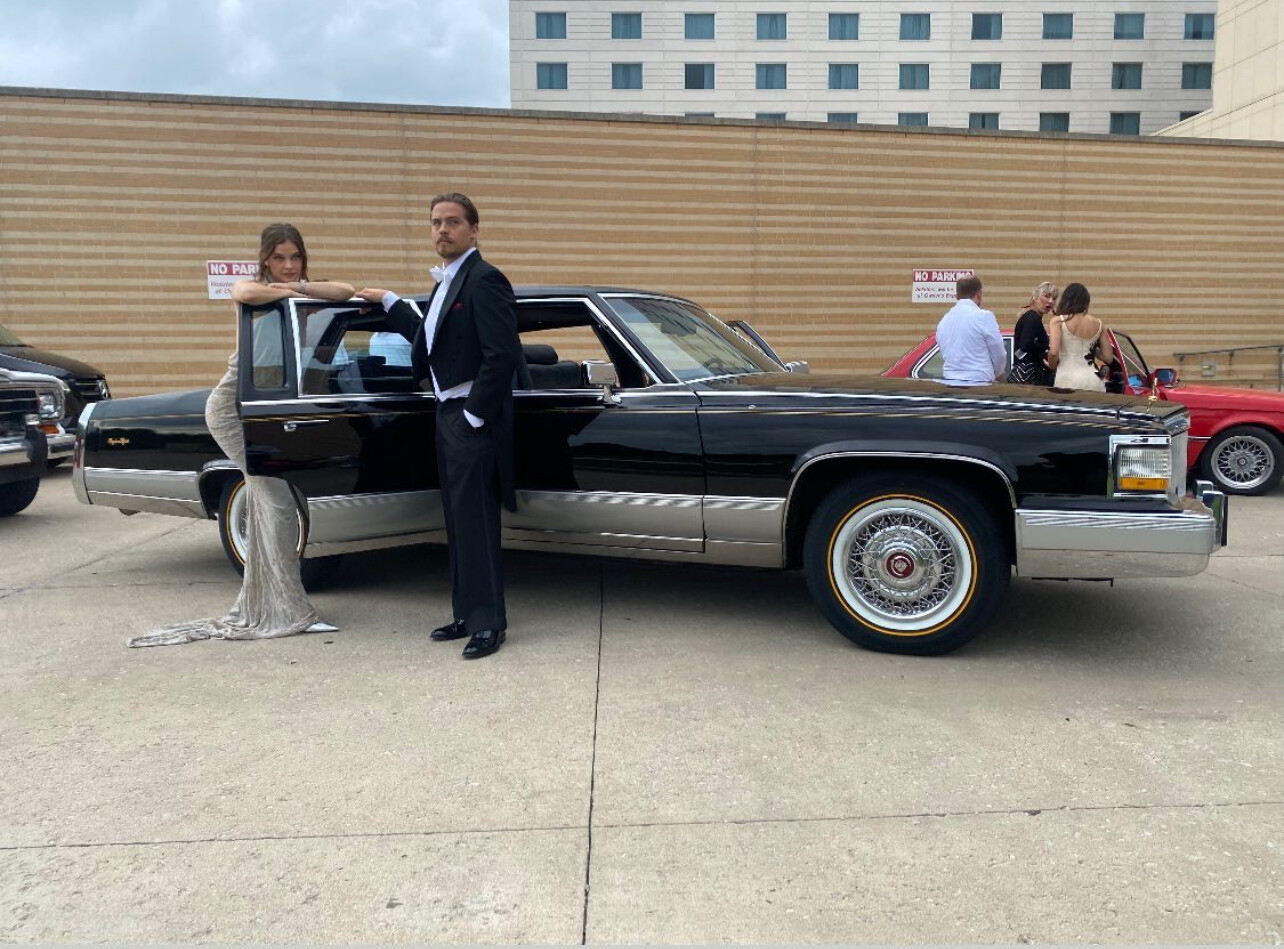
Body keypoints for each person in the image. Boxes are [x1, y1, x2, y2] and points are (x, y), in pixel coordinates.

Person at [129, 224, 355, 647]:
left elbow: (345, 291)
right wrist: (287, 291)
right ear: (266, 259)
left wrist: (299, 288)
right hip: (232, 410)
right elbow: (243, 291)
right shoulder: (255, 293)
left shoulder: (299, 293)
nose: (288, 265)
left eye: (295, 257)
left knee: (274, 507)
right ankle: (289, 610)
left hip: (265, 410)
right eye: (279, 258)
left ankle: (273, 604)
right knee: (279, 506)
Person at [357, 193, 521, 660]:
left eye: (452, 222)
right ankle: (466, 614)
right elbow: (429, 340)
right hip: (445, 414)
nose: (442, 230)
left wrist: (473, 415)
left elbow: (502, 355)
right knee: (457, 520)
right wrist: (391, 301)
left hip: (470, 416)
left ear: (474, 230)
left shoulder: (485, 279)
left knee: (478, 523)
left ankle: (489, 624)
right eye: (435, 223)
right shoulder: (446, 283)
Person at [936, 275, 1006, 386]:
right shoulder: (984, 317)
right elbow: (999, 353)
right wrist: (997, 373)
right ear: (979, 294)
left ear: (957, 295)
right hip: (980, 383)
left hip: (950, 382)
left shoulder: (944, 321)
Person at [1047, 282, 1117, 392]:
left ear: (1066, 300)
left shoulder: (1058, 321)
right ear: (1086, 302)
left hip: (1068, 379)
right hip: (1094, 379)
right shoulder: (1099, 324)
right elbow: (1108, 358)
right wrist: (1092, 350)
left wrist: (1051, 365)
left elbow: (1054, 353)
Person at [1007, 281, 1058, 385]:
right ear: (1035, 296)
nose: (1051, 301)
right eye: (1047, 296)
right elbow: (1025, 345)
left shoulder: (1031, 317)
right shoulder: (1032, 318)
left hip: (1024, 373)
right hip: (1028, 376)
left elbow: (1023, 348)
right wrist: (1046, 349)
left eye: (1054, 298)